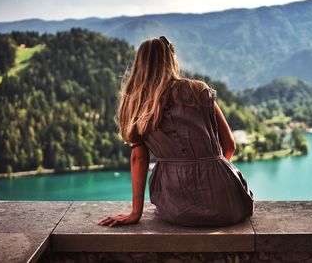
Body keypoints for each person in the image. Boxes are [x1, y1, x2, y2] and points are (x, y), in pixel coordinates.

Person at [98, 36, 254, 228]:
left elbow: (139, 159)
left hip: (175, 207)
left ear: (140, 64)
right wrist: (212, 174)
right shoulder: (198, 90)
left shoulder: (134, 104)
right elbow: (229, 145)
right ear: (171, 59)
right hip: (226, 206)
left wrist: (135, 213)